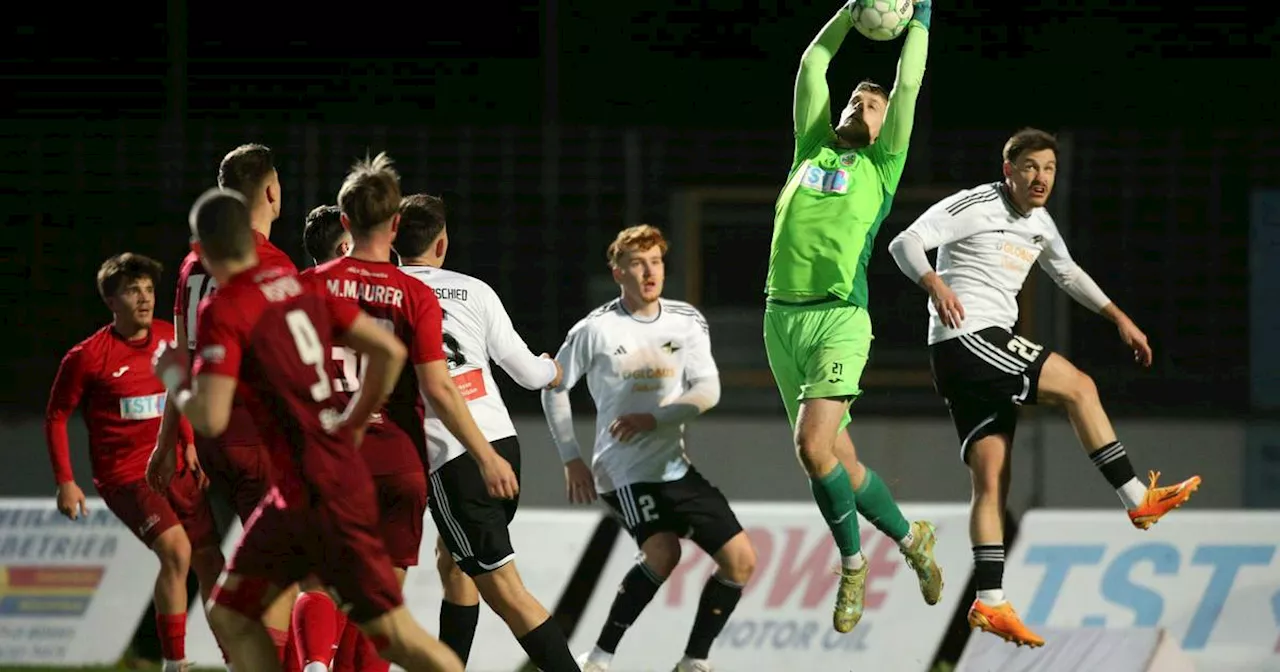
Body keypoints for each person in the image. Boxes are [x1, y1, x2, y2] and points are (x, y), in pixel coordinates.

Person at [887, 127, 1202, 648]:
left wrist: (1120, 318)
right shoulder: (975, 204)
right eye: (1031, 167)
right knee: (1079, 386)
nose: (1041, 178)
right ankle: (1136, 498)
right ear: (1008, 169)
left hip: (966, 353)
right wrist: (935, 283)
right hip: (970, 338)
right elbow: (905, 242)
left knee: (992, 482)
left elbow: (1068, 272)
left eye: (1050, 169)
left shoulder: (1039, 223)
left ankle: (991, 602)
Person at [154, 187, 464, 672]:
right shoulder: (295, 286)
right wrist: (353, 423)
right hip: (325, 478)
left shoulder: (229, 307)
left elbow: (210, 418)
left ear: (201, 249)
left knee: (376, 631)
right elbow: (389, 353)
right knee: (242, 612)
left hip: (308, 486)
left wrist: (173, 373)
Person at [310, 154, 535, 671]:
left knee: (313, 577)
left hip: (332, 453)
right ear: (393, 227)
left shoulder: (308, 286)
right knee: (390, 594)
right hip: (404, 459)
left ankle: (315, 663)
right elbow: (438, 383)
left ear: (345, 224)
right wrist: (485, 454)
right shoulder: (413, 293)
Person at [761, 0, 942, 634]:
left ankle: (853, 564)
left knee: (812, 449)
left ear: (887, 124)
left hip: (840, 317)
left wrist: (917, 14)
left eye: (872, 105)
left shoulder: (882, 164)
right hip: (780, 318)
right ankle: (912, 536)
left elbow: (908, 81)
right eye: (852, 103)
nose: (859, 108)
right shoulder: (809, 149)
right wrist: (849, 10)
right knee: (840, 456)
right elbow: (814, 60)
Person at [542, 225, 755, 672]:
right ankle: (598, 659)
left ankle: (693, 662)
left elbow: (708, 389)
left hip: (674, 469)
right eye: (637, 263)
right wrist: (571, 457)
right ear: (618, 272)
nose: (649, 271)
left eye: (656, 261)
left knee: (740, 562)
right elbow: (553, 388)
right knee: (663, 552)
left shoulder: (686, 321)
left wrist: (653, 419)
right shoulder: (595, 329)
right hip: (620, 470)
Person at [395, 193, 579, 671]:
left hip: (456, 457)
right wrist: (550, 370)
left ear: (393, 238)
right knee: (453, 562)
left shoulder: (388, 291)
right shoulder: (474, 290)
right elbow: (526, 373)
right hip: (503, 446)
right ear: (442, 244)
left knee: (508, 594)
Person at [149, 143, 301, 664]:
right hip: (259, 438)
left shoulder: (193, 264)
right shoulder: (275, 263)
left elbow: (182, 354)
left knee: (212, 562)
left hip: (206, 441)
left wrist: (167, 440)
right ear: (272, 192)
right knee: (285, 574)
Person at [45, 253, 222, 672]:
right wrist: (66, 481)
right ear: (110, 300)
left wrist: (191, 445)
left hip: (176, 465)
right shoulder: (87, 356)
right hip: (126, 475)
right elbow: (55, 415)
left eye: (147, 289)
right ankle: (174, 664)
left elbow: (178, 395)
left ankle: (237, 657)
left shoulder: (168, 338)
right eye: (131, 290)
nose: (143, 298)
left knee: (211, 560)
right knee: (177, 552)